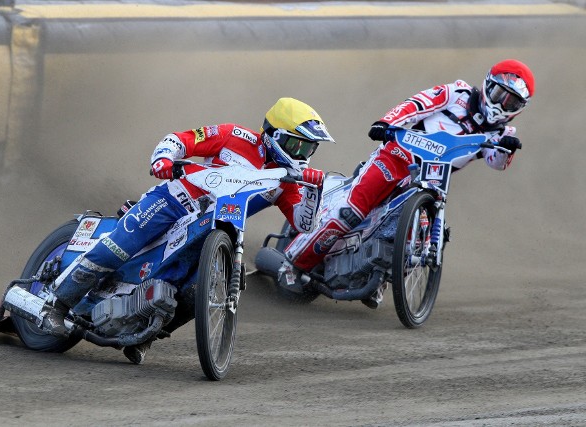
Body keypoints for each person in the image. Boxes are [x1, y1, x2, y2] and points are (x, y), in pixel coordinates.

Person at [38, 97, 335, 363]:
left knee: (199, 288)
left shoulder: (289, 181)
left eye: (311, 148)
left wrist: (313, 188)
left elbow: (303, 224)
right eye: (299, 144)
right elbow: (181, 140)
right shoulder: (235, 135)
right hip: (173, 202)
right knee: (121, 245)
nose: (304, 154)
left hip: (218, 227)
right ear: (275, 135)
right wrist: (163, 159)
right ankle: (55, 305)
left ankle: (145, 334)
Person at [280, 59, 535, 305]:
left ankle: (376, 276)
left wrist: (506, 149)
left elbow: (496, 162)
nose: (503, 103)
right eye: (500, 94)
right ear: (488, 85)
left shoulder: (502, 134)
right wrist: (386, 123)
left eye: (511, 101)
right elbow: (415, 105)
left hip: (431, 180)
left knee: (416, 231)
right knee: (351, 211)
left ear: (520, 108)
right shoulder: (456, 92)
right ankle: (292, 265)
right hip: (395, 158)